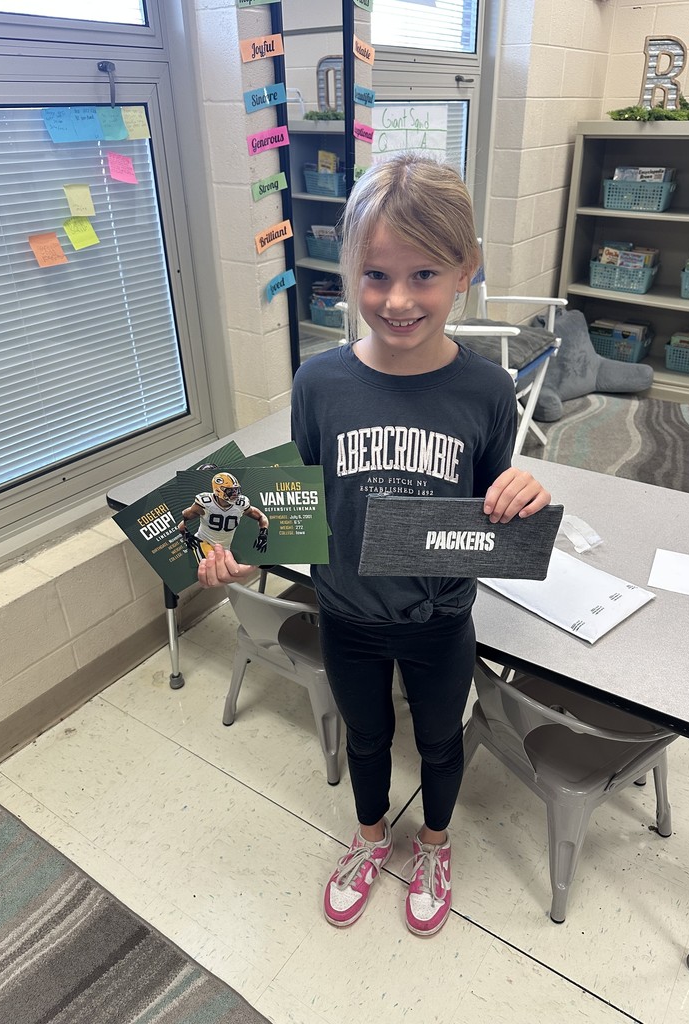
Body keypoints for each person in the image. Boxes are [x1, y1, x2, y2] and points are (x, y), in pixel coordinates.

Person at [198, 153, 550, 936]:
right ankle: (368, 837)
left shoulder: (488, 391)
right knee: (366, 735)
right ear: (349, 270)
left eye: (424, 274)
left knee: (438, 739)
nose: (396, 300)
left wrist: (521, 491)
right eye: (375, 275)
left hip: (440, 618)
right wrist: (240, 551)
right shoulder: (319, 383)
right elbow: (296, 505)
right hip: (346, 612)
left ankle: (433, 842)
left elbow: (495, 504)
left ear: (467, 270)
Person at [179, 471, 269, 565]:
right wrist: (186, 535)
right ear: (218, 490)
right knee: (213, 568)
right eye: (230, 491)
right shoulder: (206, 503)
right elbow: (182, 517)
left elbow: (261, 516)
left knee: (229, 572)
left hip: (225, 547)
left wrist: (263, 534)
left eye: (236, 490)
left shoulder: (241, 504)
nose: (235, 494)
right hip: (204, 542)